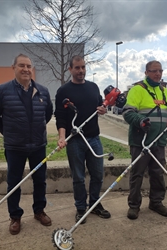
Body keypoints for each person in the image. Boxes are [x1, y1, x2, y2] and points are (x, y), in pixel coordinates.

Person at [0, 53, 53, 235]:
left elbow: (47, 115)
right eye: (22, 65)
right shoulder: (1, 91)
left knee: (40, 181)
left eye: (28, 66)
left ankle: (39, 211)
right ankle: (15, 217)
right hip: (14, 147)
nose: (26, 69)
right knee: (14, 183)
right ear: (13, 68)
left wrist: (35, 131)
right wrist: (8, 132)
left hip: (39, 146)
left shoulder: (43, 91)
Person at [54, 55, 111, 224]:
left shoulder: (94, 87)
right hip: (75, 140)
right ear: (70, 69)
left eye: (83, 67)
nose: (81, 71)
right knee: (78, 177)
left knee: (98, 175)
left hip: (94, 138)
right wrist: (62, 137)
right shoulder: (63, 91)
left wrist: (103, 109)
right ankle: (80, 208)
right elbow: (60, 117)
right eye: (77, 68)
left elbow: (100, 106)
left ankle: (94, 204)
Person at [122, 60, 167, 220]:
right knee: (137, 174)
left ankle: (156, 202)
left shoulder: (165, 92)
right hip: (141, 142)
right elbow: (128, 112)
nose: (157, 74)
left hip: (159, 141)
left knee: (157, 173)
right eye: (153, 71)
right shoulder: (138, 90)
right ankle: (134, 206)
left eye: (160, 71)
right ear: (146, 72)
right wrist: (140, 120)